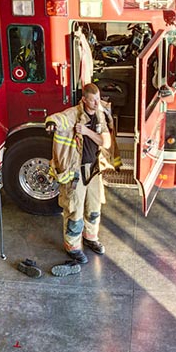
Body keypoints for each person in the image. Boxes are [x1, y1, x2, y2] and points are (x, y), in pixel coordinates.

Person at [45, 83, 114, 264]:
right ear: (84, 99)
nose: (96, 103)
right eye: (92, 100)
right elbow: (59, 119)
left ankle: (90, 238)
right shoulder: (73, 114)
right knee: (74, 211)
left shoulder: (99, 114)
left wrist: (87, 131)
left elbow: (105, 142)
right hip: (76, 171)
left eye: (98, 99)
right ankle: (73, 247)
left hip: (94, 170)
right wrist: (51, 123)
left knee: (94, 208)